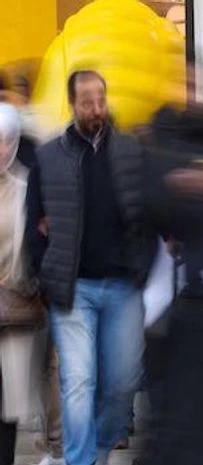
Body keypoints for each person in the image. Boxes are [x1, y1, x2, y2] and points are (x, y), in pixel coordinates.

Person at [25, 70, 154, 465]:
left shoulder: (132, 152)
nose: (97, 108)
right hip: (73, 289)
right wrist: (42, 277)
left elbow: (146, 214)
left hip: (123, 286)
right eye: (87, 101)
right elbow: (34, 225)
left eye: (101, 98)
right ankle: (80, 460)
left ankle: (96, 448)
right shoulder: (48, 158)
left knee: (122, 381)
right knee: (78, 382)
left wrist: (142, 267)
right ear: (72, 105)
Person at [133, 65, 203, 465]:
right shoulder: (163, 143)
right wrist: (201, 183)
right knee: (174, 410)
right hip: (174, 297)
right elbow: (161, 199)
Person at [0, 103, 48, 465]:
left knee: (8, 407)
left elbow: (37, 243)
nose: (1, 148)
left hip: (15, 307)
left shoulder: (28, 185)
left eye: (7, 140)